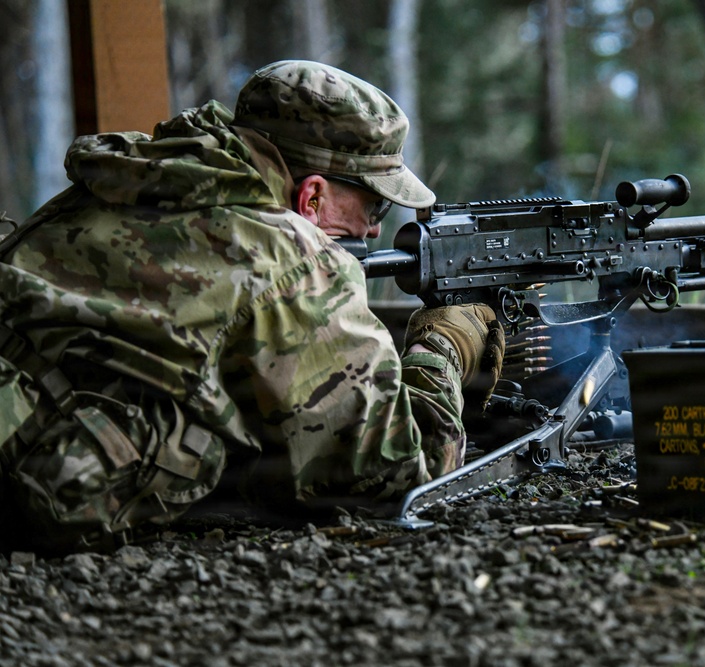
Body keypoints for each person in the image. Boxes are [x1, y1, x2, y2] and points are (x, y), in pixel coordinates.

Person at [0, 60, 504, 554]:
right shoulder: (288, 259)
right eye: (376, 205)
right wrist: (445, 346)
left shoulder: (131, 179)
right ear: (311, 198)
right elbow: (400, 475)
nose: (374, 229)